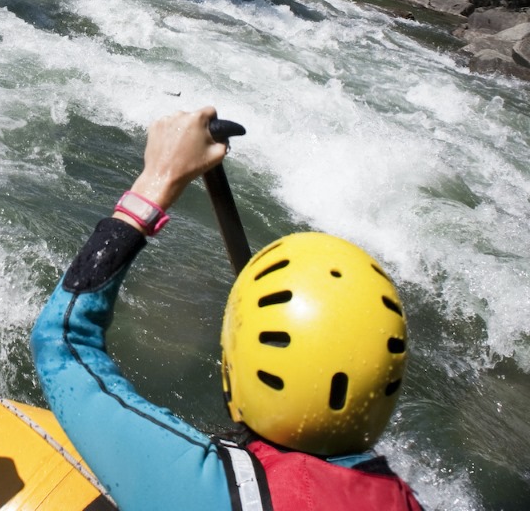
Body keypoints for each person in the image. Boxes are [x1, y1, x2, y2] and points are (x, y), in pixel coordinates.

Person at [31, 107, 422, 510]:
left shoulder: (202, 489)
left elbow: (59, 340)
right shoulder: (406, 501)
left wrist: (158, 179)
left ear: (234, 373)